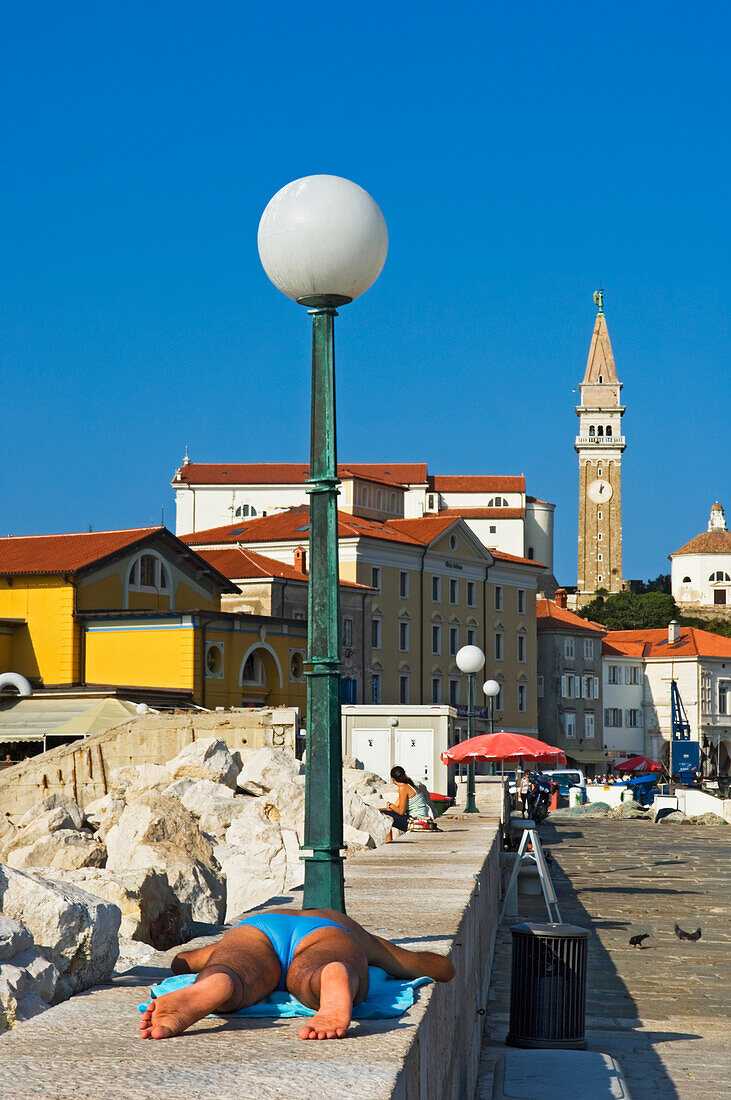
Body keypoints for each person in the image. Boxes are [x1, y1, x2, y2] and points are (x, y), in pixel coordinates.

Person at [138, 906, 455, 1042]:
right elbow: (429, 966)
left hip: (256, 928)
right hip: (329, 933)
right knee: (322, 966)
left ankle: (218, 984)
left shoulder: (256, 922)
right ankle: (332, 975)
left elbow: (184, 961)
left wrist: (190, 964)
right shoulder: (351, 929)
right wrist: (437, 964)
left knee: (232, 968)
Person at [379, 766, 434, 834]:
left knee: (384, 816)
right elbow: (394, 808)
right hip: (422, 820)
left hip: (416, 821)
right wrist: (379, 810)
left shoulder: (403, 788)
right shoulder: (410, 785)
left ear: (393, 779)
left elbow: (401, 811)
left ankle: (388, 840)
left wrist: (390, 805)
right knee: (382, 813)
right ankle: (388, 840)